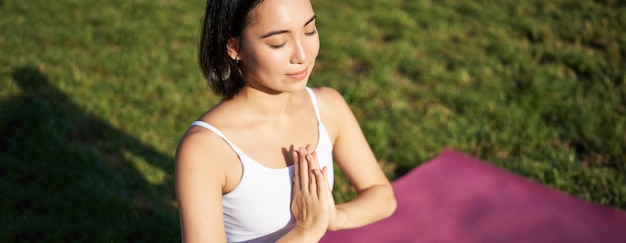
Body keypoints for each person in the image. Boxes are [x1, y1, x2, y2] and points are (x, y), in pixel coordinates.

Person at [175, 0, 397, 242]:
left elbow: (382, 196)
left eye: (310, 30)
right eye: (278, 43)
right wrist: (306, 231)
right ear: (234, 47)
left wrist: (333, 217)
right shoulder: (206, 149)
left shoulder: (327, 107)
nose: (302, 56)